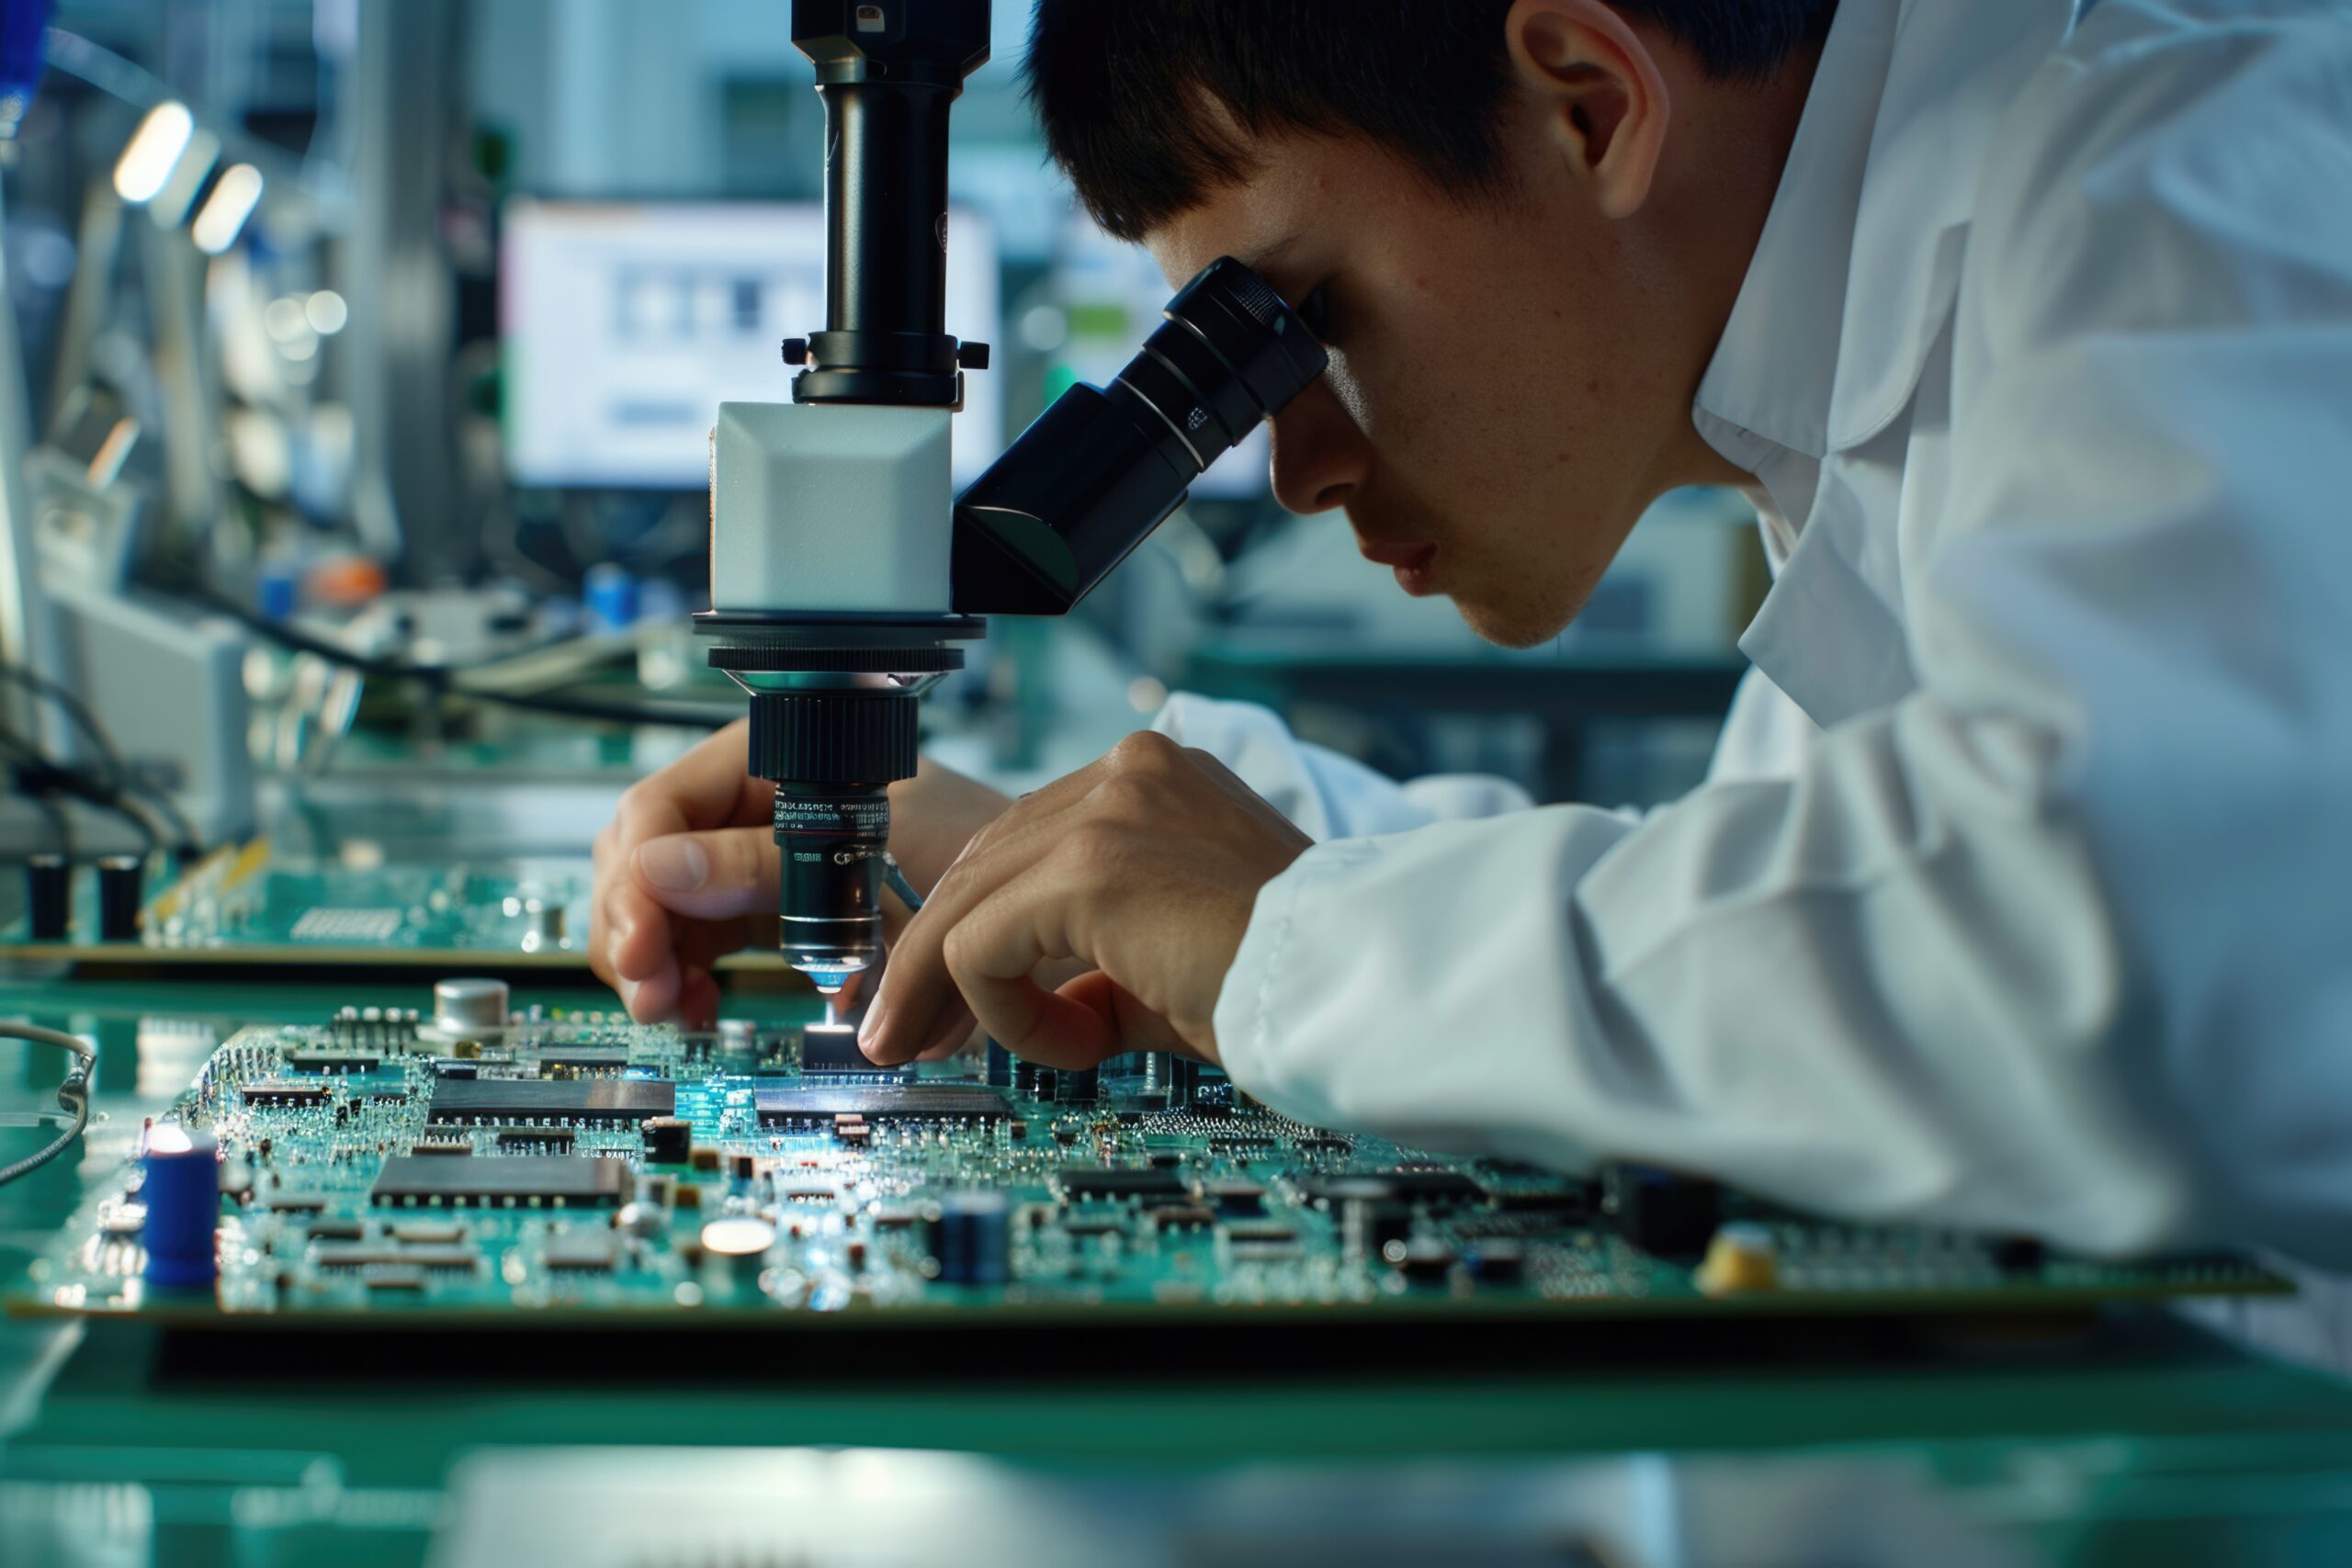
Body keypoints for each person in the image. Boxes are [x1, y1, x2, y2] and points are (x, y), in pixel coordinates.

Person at [592, 0, 2352, 1357]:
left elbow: (2089, 949)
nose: (1294, 468)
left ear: (1588, 98)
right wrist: (1094, 859)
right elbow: (1786, 925)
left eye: (1292, 326)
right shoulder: (1908, 313)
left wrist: (1291, 938)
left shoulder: (2193, 178)